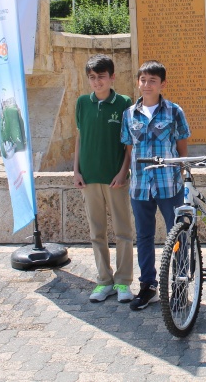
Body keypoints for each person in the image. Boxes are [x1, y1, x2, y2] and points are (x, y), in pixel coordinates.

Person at [121, 61, 191, 310]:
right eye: (143, 80)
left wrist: (181, 172)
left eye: (152, 80)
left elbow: (182, 145)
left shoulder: (173, 111)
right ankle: (148, 286)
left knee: (179, 236)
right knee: (144, 236)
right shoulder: (129, 114)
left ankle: (180, 287)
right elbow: (129, 148)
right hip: (140, 186)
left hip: (168, 185)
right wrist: (123, 174)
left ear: (163, 84)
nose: (147, 85)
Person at [74, 54, 135, 303]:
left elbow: (129, 144)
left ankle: (123, 282)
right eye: (92, 77)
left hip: (115, 179)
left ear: (112, 77)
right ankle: (103, 281)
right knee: (96, 232)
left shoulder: (124, 103)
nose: (97, 82)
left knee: (123, 231)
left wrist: (123, 172)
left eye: (101, 77)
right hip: (89, 178)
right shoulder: (82, 103)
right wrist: (76, 170)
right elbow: (79, 137)